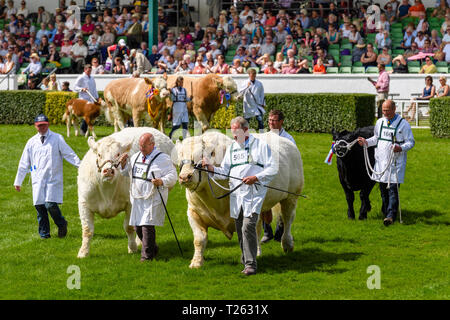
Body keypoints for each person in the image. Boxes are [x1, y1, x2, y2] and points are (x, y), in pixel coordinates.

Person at [202, 117, 277, 275]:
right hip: (237, 195)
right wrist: (210, 168)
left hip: (253, 194)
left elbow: (272, 169)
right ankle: (246, 259)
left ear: (246, 130)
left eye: (237, 132)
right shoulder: (232, 149)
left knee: (247, 227)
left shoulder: (260, 146)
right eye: (233, 132)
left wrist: (255, 178)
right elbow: (225, 172)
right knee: (239, 228)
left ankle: (251, 265)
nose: (234, 136)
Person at [14, 114, 81, 239]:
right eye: (39, 125)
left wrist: (81, 166)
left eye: (44, 125)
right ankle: (44, 234)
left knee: (50, 204)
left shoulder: (57, 139)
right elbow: (24, 162)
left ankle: (61, 224)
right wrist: (18, 181)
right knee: (40, 207)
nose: (42, 127)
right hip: (38, 179)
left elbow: (69, 154)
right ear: (35, 126)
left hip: (52, 179)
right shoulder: (31, 142)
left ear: (48, 124)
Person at [119, 133, 177, 262]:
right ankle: (153, 248)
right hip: (138, 197)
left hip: (153, 197)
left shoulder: (163, 159)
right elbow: (127, 173)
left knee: (147, 225)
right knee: (138, 226)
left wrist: (162, 181)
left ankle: (146, 257)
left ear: (152, 144)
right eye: (140, 145)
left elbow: (173, 176)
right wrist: (123, 165)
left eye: (144, 146)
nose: (141, 148)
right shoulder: (136, 157)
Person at [357, 100, 415, 226]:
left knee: (393, 189)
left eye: (388, 110)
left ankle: (390, 216)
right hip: (381, 163)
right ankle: (386, 212)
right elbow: (376, 139)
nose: (385, 113)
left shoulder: (403, 124)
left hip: (395, 163)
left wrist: (401, 148)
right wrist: (366, 142)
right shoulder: (380, 122)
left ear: (394, 109)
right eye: (383, 110)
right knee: (383, 190)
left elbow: (411, 142)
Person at [261, 109, 295, 243]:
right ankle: (267, 232)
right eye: (269, 120)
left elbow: (292, 159)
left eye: (274, 120)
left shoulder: (288, 139)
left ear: (281, 122)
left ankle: (280, 233)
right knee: (264, 204)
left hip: (283, 175)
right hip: (268, 174)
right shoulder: (264, 136)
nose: (271, 123)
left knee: (283, 205)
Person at [74, 64, 98, 134]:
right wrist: (82, 89)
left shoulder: (92, 78)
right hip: (83, 99)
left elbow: (94, 89)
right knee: (87, 115)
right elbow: (75, 87)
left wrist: (96, 97)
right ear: (85, 70)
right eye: (88, 71)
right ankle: (83, 130)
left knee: (90, 115)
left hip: (91, 99)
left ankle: (86, 130)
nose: (89, 72)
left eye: (90, 71)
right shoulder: (81, 77)